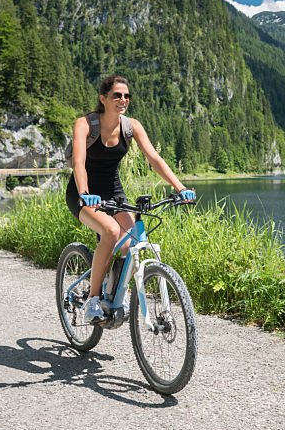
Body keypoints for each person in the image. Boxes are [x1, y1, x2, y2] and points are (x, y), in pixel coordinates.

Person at [65, 75, 195, 323]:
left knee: (132, 241)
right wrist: (84, 194)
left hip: (113, 192)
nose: (122, 100)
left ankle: (114, 294)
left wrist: (180, 188)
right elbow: (79, 162)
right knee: (111, 231)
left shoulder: (130, 126)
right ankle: (93, 300)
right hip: (83, 193)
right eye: (116, 95)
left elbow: (154, 159)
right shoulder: (84, 124)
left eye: (126, 96)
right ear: (103, 99)